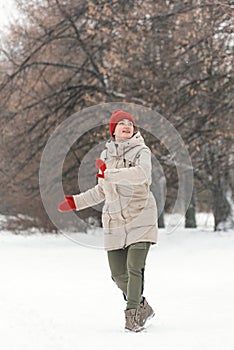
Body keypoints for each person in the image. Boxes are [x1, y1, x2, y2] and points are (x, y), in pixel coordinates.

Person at [58, 110, 158, 332]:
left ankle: (132, 316)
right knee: (117, 274)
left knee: (134, 267)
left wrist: (110, 174)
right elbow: (102, 190)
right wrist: (76, 202)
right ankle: (143, 305)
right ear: (113, 130)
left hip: (141, 216)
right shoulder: (106, 157)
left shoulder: (143, 151)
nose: (126, 125)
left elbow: (142, 175)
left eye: (130, 123)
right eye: (121, 123)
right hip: (115, 221)